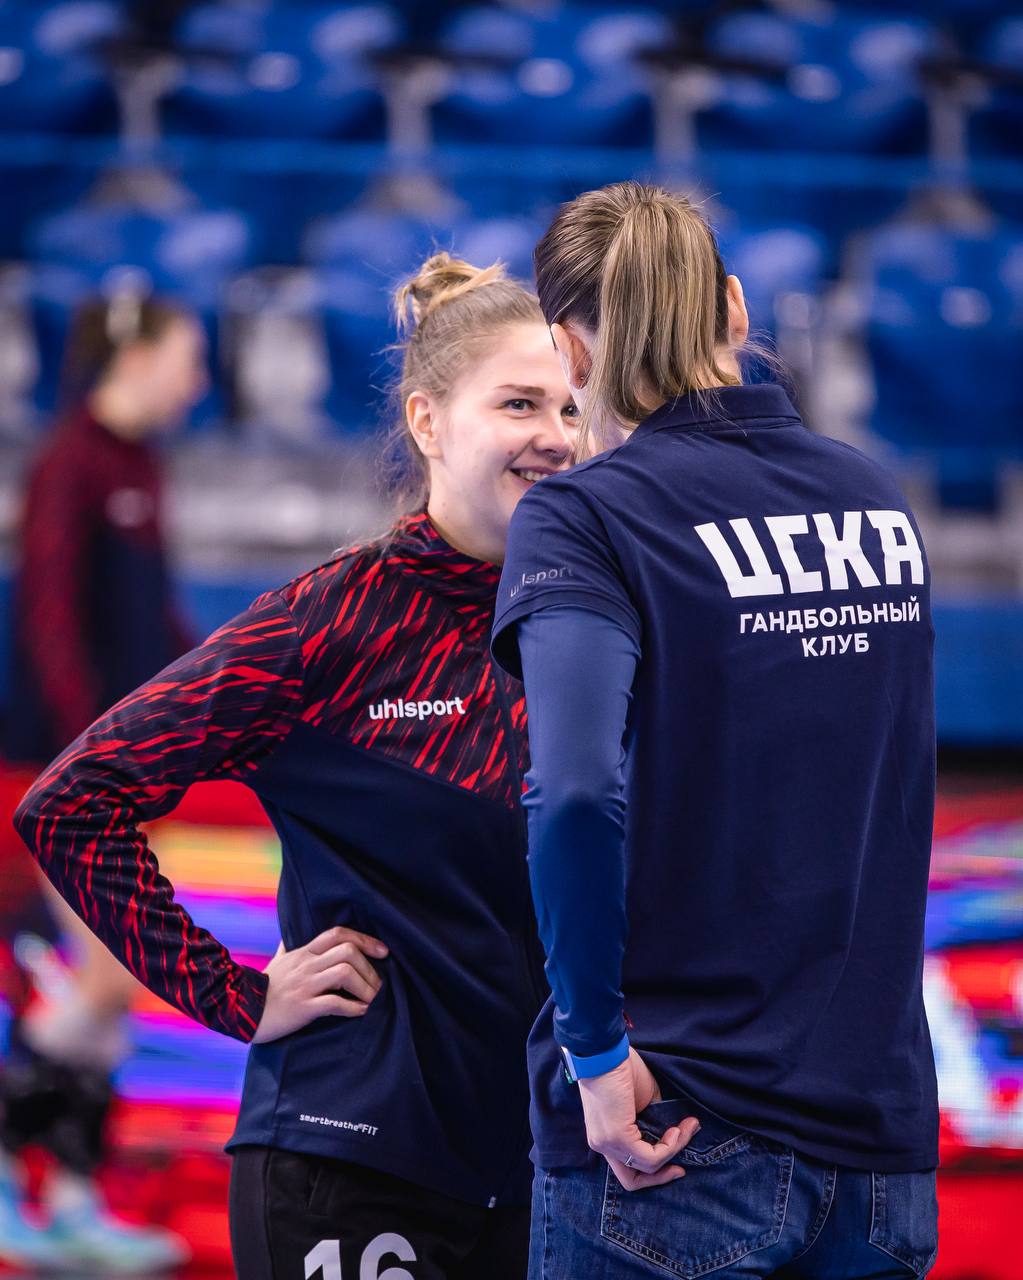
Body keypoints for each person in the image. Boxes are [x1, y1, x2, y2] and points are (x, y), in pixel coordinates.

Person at [15, 254, 579, 1280]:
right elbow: (73, 802)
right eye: (519, 403)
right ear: (427, 422)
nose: (556, 433)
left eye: (573, 406)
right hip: (355, 1163)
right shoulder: (333, 619)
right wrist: (235, 995)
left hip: (550, 1172)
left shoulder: (597, 618)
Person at [491, 182, 940, 1279]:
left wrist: (594, 1050)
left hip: (678, 1134)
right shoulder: (874, 497)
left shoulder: (585, 514)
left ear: (569, 351)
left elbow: (575, 792)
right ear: (734, 307)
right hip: (880, 1141)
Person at [0, 290, 207, 1273]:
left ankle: (75, 1196)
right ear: (136, 357)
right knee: (107, 976)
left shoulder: (141, 463)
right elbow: (48, 619)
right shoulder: (70, 463)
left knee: (110, 990)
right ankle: (12, 1176)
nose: (199, 382)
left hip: (116, 778)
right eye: (188, 358)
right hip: (59, 775)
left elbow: (158, 624)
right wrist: (84, 760)